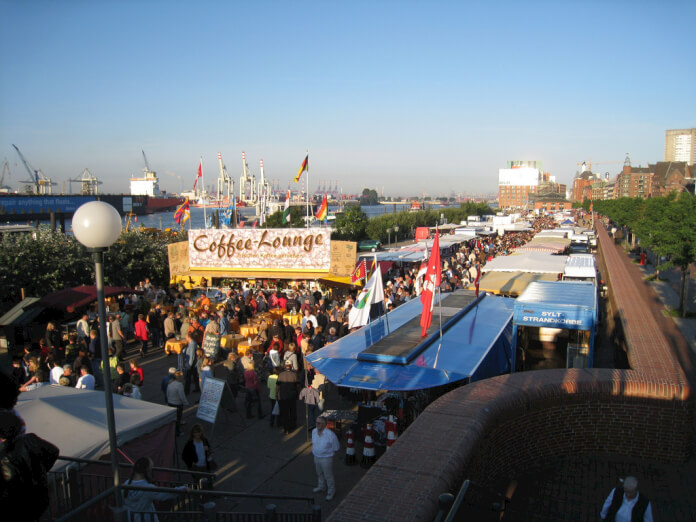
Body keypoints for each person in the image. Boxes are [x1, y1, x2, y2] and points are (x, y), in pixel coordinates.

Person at [0, 410, 59, 520]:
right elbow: (53, 451)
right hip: (39, 499)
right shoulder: (29, 440)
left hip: (19, 506)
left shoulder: (3, 454)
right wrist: (41, 469)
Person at [123, 457, 189, 522]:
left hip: (131, 518)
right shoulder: (148, 488)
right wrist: (183, 489)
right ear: (147, 471)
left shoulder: (125, 485)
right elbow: (166, 493)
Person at [311, 415, 340, 501]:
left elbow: (336, 447)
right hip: (316, 457)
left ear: (324, 424)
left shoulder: (330, 435)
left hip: (326, 459)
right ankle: (321, 486)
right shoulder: (313, 431)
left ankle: (331, 491)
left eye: (319, 423)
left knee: (328, 476)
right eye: (316, 422)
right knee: (319, 473)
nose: (317, 424)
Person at [277, 361, 299, 433]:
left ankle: (286, 428)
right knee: (292, 411)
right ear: (291, 365)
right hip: (292, 396)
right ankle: (292, 425)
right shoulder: (294, 375)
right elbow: (297, 386)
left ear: (285, 366)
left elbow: (277, 386)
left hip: (283, 396)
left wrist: (276, 394)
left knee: (285, 412)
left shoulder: (280, 375)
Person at [166, 371, 188, 436]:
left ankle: (171, 431)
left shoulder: (170, 383)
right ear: (180, 377)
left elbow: (167, 393)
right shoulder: (179, 385)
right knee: (178, 418)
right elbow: (182, 396)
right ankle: (177, 432)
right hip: (177, 403)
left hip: (170, 402)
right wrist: (186, 402)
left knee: (172, 419)